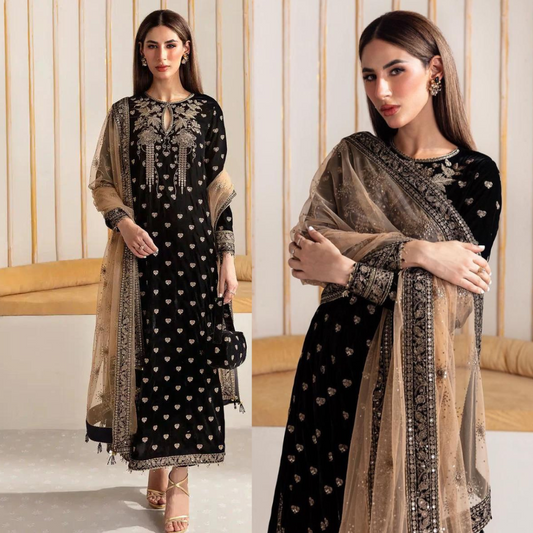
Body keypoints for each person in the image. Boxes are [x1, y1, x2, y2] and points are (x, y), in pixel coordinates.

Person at [268, 10, 500, 533]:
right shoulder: (353, 158)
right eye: (370, 76)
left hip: (417, 377)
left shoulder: (476, 176)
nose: (381, 91)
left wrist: (348, 272)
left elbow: (452, 300)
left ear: (434, 71)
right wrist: (417, 252)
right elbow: (308, 250)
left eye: (396, 71)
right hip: (332, 366)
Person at [84, 10, 244, 533]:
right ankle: (155, 460)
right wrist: (124, 224)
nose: (161, 54)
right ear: (141, 52)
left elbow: (219, 190)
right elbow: (103, 182)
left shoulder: (207, 111)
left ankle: (179, 482)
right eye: (151, 45)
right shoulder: (125, 113)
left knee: (192, 365)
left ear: (186, 49)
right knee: (150, 363)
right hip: (143, 260)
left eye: (170, 44)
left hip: (196, 259)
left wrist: (227, 257)